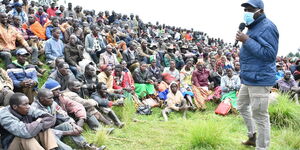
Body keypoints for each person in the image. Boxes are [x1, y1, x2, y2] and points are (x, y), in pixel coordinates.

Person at [235, 0, 279, 149]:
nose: (246, 12)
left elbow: (269, 54)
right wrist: (245, 40)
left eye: (250, 9)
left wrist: (246, 40)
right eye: (245, 9)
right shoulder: (253, 27)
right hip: (248, 78)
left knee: (260, 116)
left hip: (260, 79)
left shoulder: (268, 27)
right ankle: (252, 136)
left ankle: (262, 147)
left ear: (260, 10)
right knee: (241, 105)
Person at [32, 89, 106, 150]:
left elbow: (63, 115)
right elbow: (42, 131)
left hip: (52, 129)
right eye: (50, 98)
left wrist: (74, 125)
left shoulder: (52, 103)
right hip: (43, 134)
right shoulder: (34, 110)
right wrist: (69, 133)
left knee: (67, 124)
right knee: (54, 138)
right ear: (41, 99)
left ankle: (85, 145)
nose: (52, 100)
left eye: (52, 97)